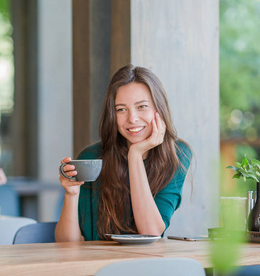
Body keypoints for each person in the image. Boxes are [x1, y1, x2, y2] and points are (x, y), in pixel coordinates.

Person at [55, 64, 192, 242]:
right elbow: (66, 246)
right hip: (97, 267)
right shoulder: (91, 158)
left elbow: (151, 232)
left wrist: (134, 154)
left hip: (148, 266)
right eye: (121, 109)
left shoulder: (177, 154)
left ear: (159, 109)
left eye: (142, 106)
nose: (132, 119)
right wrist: (71, 194)